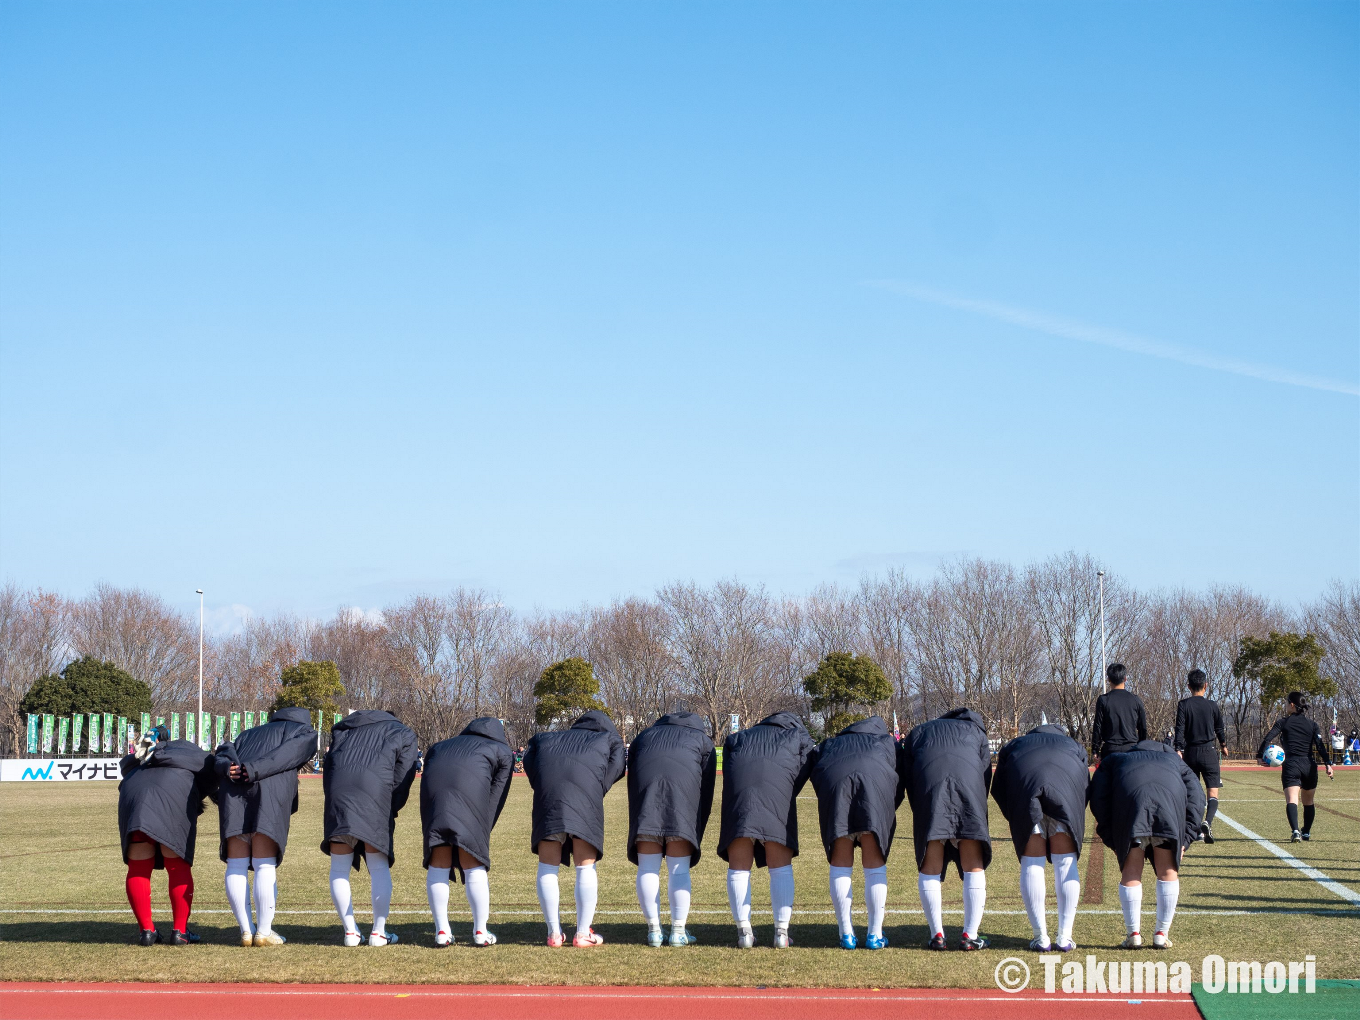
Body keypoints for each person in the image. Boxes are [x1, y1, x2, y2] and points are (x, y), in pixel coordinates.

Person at [215, 707, 318, 946]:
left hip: (233, 791)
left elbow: (224, 750)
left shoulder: (248, 733)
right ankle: (263, 931)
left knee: (236, 864)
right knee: (264, 864)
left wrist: (228, 766)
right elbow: (286, 755)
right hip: (269, 790)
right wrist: (253, 769)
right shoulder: (304, 732)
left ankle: (246, 931)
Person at [523, 709, 626, 947]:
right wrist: (598, 787)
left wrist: (543, 784)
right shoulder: (607, 739)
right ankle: (582, 933)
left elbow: (529, 760)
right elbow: (618, 765)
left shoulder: (545, 738)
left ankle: (553, 933)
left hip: (548, 799)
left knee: (547, 867)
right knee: (585, 867)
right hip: (585, 799)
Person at [1088, 739, 1204, 949]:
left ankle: (1133, 933)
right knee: (1167, 870)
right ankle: (1161, 933)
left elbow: (1098, 796)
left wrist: (1112, 837)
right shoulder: (1176, 761)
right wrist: (1186, 839)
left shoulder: (1116, 759)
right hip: (1167, 810)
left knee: (1131, 871)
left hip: (1131, 809)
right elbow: (1197, 798)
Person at [321, 709, 419, 946]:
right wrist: (391, 807)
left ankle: (350, 932)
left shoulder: (343, 730)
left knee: (339, 868)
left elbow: (330, 769)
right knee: (378, 866)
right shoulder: (402, 732)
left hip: (339, 797)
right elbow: (403, 776)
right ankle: (378, 932)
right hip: (375, 795)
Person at [717, 711, 814, 949]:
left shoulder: (738, 737)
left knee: (739, 868)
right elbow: (806, 766)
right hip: (777, 796)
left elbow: (730, 770)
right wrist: (786, 791)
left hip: (740, 799)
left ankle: (744, 932)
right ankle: (781, 933)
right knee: (780, 868)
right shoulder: (798, 736)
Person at [900, 707, 993, 951]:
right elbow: (985, 773)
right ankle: (970, 935)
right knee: (973, 863)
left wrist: (922, 806)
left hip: (930, 792)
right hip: (968, 791)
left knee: (930, 865)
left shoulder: (919, 731)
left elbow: (908, 775)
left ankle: (937, 935)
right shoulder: (976, 732)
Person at [990, 723, 1088, 952]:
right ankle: (1065, 937)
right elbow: (1084, 787)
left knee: (1032, 863)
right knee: (1066, 863)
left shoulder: (1014, 745)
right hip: (1065, 795)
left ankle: (1040, 936)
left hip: (1026, 794)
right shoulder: (1074, 746)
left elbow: (998, 788)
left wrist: (1016, 816)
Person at [117, 725, 218, 946]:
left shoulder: (139, 758)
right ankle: (180, 932)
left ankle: (146, 931)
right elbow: (212, 770)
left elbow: (125, 768)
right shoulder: (187, 750)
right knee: (177, 866)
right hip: (173, 797)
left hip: (133, 796)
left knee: (138, 868)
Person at [420, 716, 514, 947]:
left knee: (438, 863)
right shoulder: (501, 750)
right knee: (473, 863)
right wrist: (482, 829)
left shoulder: (439, 746)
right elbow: (497, 795)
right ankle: (480, 931)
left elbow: (426, 784)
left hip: (435, 803)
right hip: (470, 803)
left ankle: (442, 931)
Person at [809, 715, 901, 950]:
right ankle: (875, 935)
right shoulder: (887, 742)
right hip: (874, 794)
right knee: (874, 868)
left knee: (840, 866)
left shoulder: (831, 743)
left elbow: (817, 772)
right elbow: (899, 780)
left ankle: (846, 934)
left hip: (837, 792)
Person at [626, 711, 717, 947]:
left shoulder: (644, 736)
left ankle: (654, 931)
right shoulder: (702, 740)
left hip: (647, 803)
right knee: (679, 871)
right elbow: (707, 786)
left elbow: (632, 776)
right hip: (682, 806)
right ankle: (678, 931)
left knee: (648, 868)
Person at [1256, 692, 1334, 842]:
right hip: (1309, 765)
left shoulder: (1283, 722)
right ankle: (1306, 832)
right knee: (1308, 801)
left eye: (1286, 703)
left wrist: (1260, 756)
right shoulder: (1312, 725)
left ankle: (1296, 831)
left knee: (1292, 799)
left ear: (1292, 705)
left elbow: (1268, 738)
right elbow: (1320, 746)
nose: (1285, 705)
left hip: (1291, 764)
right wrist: (1328, 764)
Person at [1173, 669, 1227, 844]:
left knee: (1193, 793)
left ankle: (1195, 829)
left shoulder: (1183, 705)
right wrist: (1224, 745)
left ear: (1188, 686)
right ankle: (1207, 822)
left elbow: (1180, 729)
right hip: (1209, 751)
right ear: (1206, 685)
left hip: (1190, 752)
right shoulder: (1212, 705)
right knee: (1213, 792)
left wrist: (1178, 748)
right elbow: (1219, 728)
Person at [1091, 663, 1148, 762]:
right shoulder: (1136, 700)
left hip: (1110, 749)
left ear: (1108, 679)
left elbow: (1098, 727)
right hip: (1131, 749)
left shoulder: (1103, 700)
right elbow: (1143, 727)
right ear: (1125, 678)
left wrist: (1095, 749)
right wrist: (1141, 746)